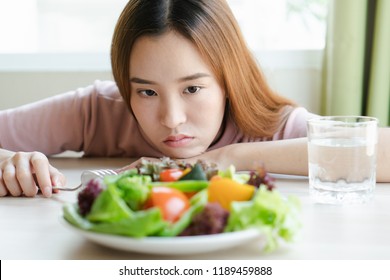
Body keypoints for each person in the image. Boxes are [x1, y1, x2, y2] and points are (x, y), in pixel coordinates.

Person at [0, 0, 389, 197]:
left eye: (192, 89)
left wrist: (225, 158)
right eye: (147, 92)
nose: (171, 119)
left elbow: (379, 150)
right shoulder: (99, 109)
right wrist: (8, 162)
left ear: (227, 79)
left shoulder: (270, 126)